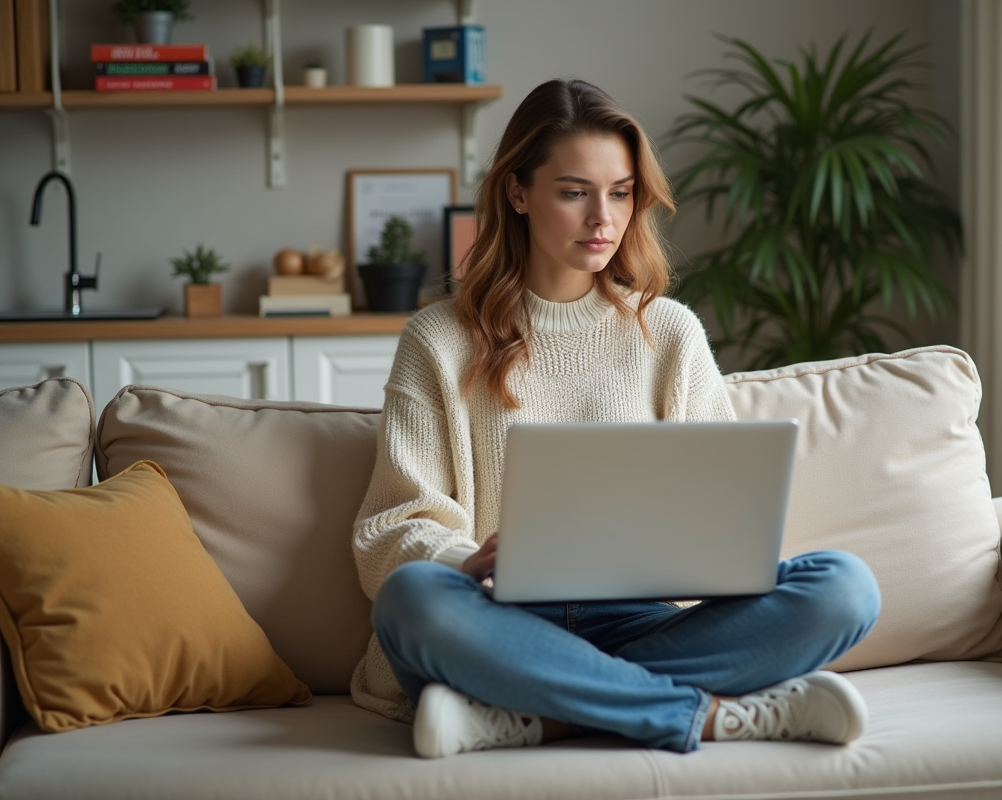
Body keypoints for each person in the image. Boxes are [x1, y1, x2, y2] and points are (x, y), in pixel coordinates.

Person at [351, 78, 881, 759]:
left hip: (641, 622)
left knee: (844, 588)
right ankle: (708, 716)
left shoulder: (670, 333)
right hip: (497, 621)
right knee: (412, 599)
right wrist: (465, 557)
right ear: (518, 193)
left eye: (622, 192)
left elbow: (725, 513)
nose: (603, 217)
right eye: (574, 192)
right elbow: (387, 533)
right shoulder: (437, 339)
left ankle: (538, 715)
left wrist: (720, 554)